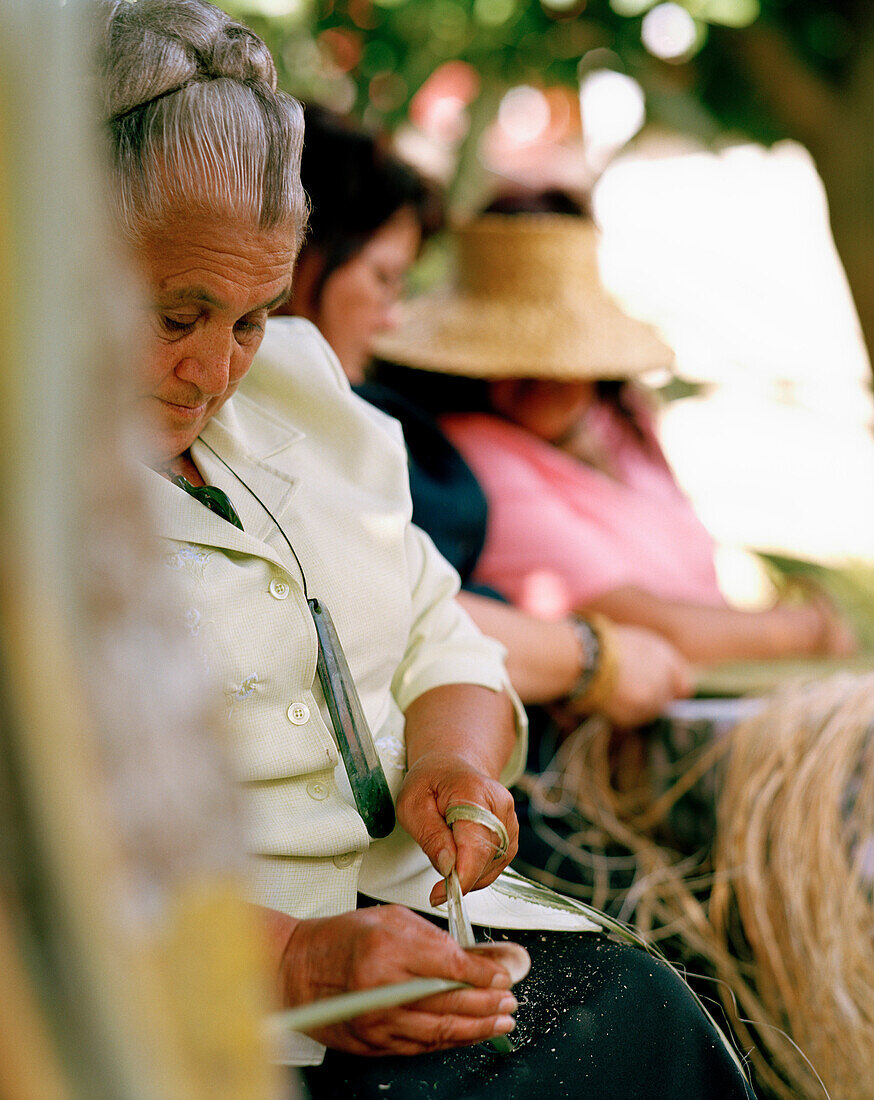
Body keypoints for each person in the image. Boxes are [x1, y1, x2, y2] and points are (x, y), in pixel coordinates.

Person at [99, 2, 755, 1095]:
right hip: (185, 1003)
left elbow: (439, 634)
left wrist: (453, 762)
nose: (214, 372)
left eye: (252, 318)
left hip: (405, 934)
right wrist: (294, 963)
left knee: (648, 1012)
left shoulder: (306, 403)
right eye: (175, 314)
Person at [282, 108, 690, 727]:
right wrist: (591, 660)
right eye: (384, 278)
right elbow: (385, 607)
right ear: (300, 258)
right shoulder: (336, 438)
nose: (393, 317)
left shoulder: (625, 431)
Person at [372, 213, 857, 666]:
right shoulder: (479, 459)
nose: (547, 377)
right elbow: (658, 629)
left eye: (562, 358)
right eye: (519, 358)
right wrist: (807, 628)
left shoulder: (614, 426)